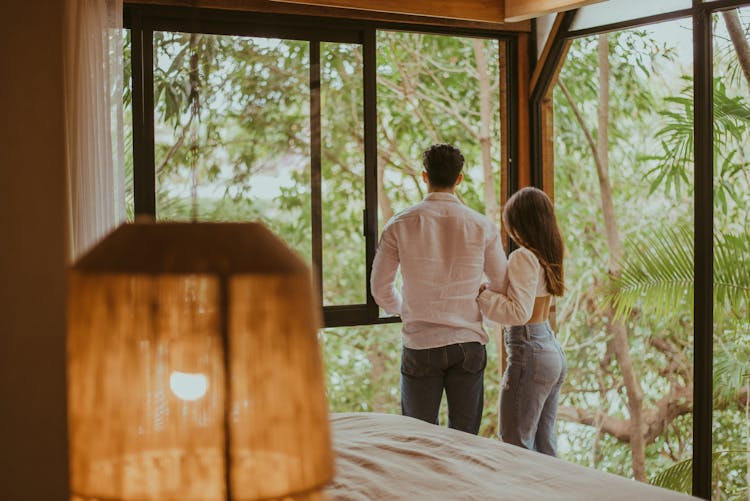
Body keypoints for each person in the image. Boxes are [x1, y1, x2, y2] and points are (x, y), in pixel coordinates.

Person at [371, 143, 507, 434]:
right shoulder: (482, 226)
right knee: (465, 440)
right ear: (459, 179)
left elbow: (380, 289)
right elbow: (501, 284)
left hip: (421, 344)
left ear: (424, 176)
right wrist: (480, 303)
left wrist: (406, 308)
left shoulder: (400, 224)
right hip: (468, 343)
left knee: (421, 441)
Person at [477, 186, 567, 456]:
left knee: (514, 446)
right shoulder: (547, 255)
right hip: (550, 349)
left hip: (529, 351)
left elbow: (519, 313)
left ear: (520, 224)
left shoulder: (523, 257)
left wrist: (484, 296)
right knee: (544, 445)